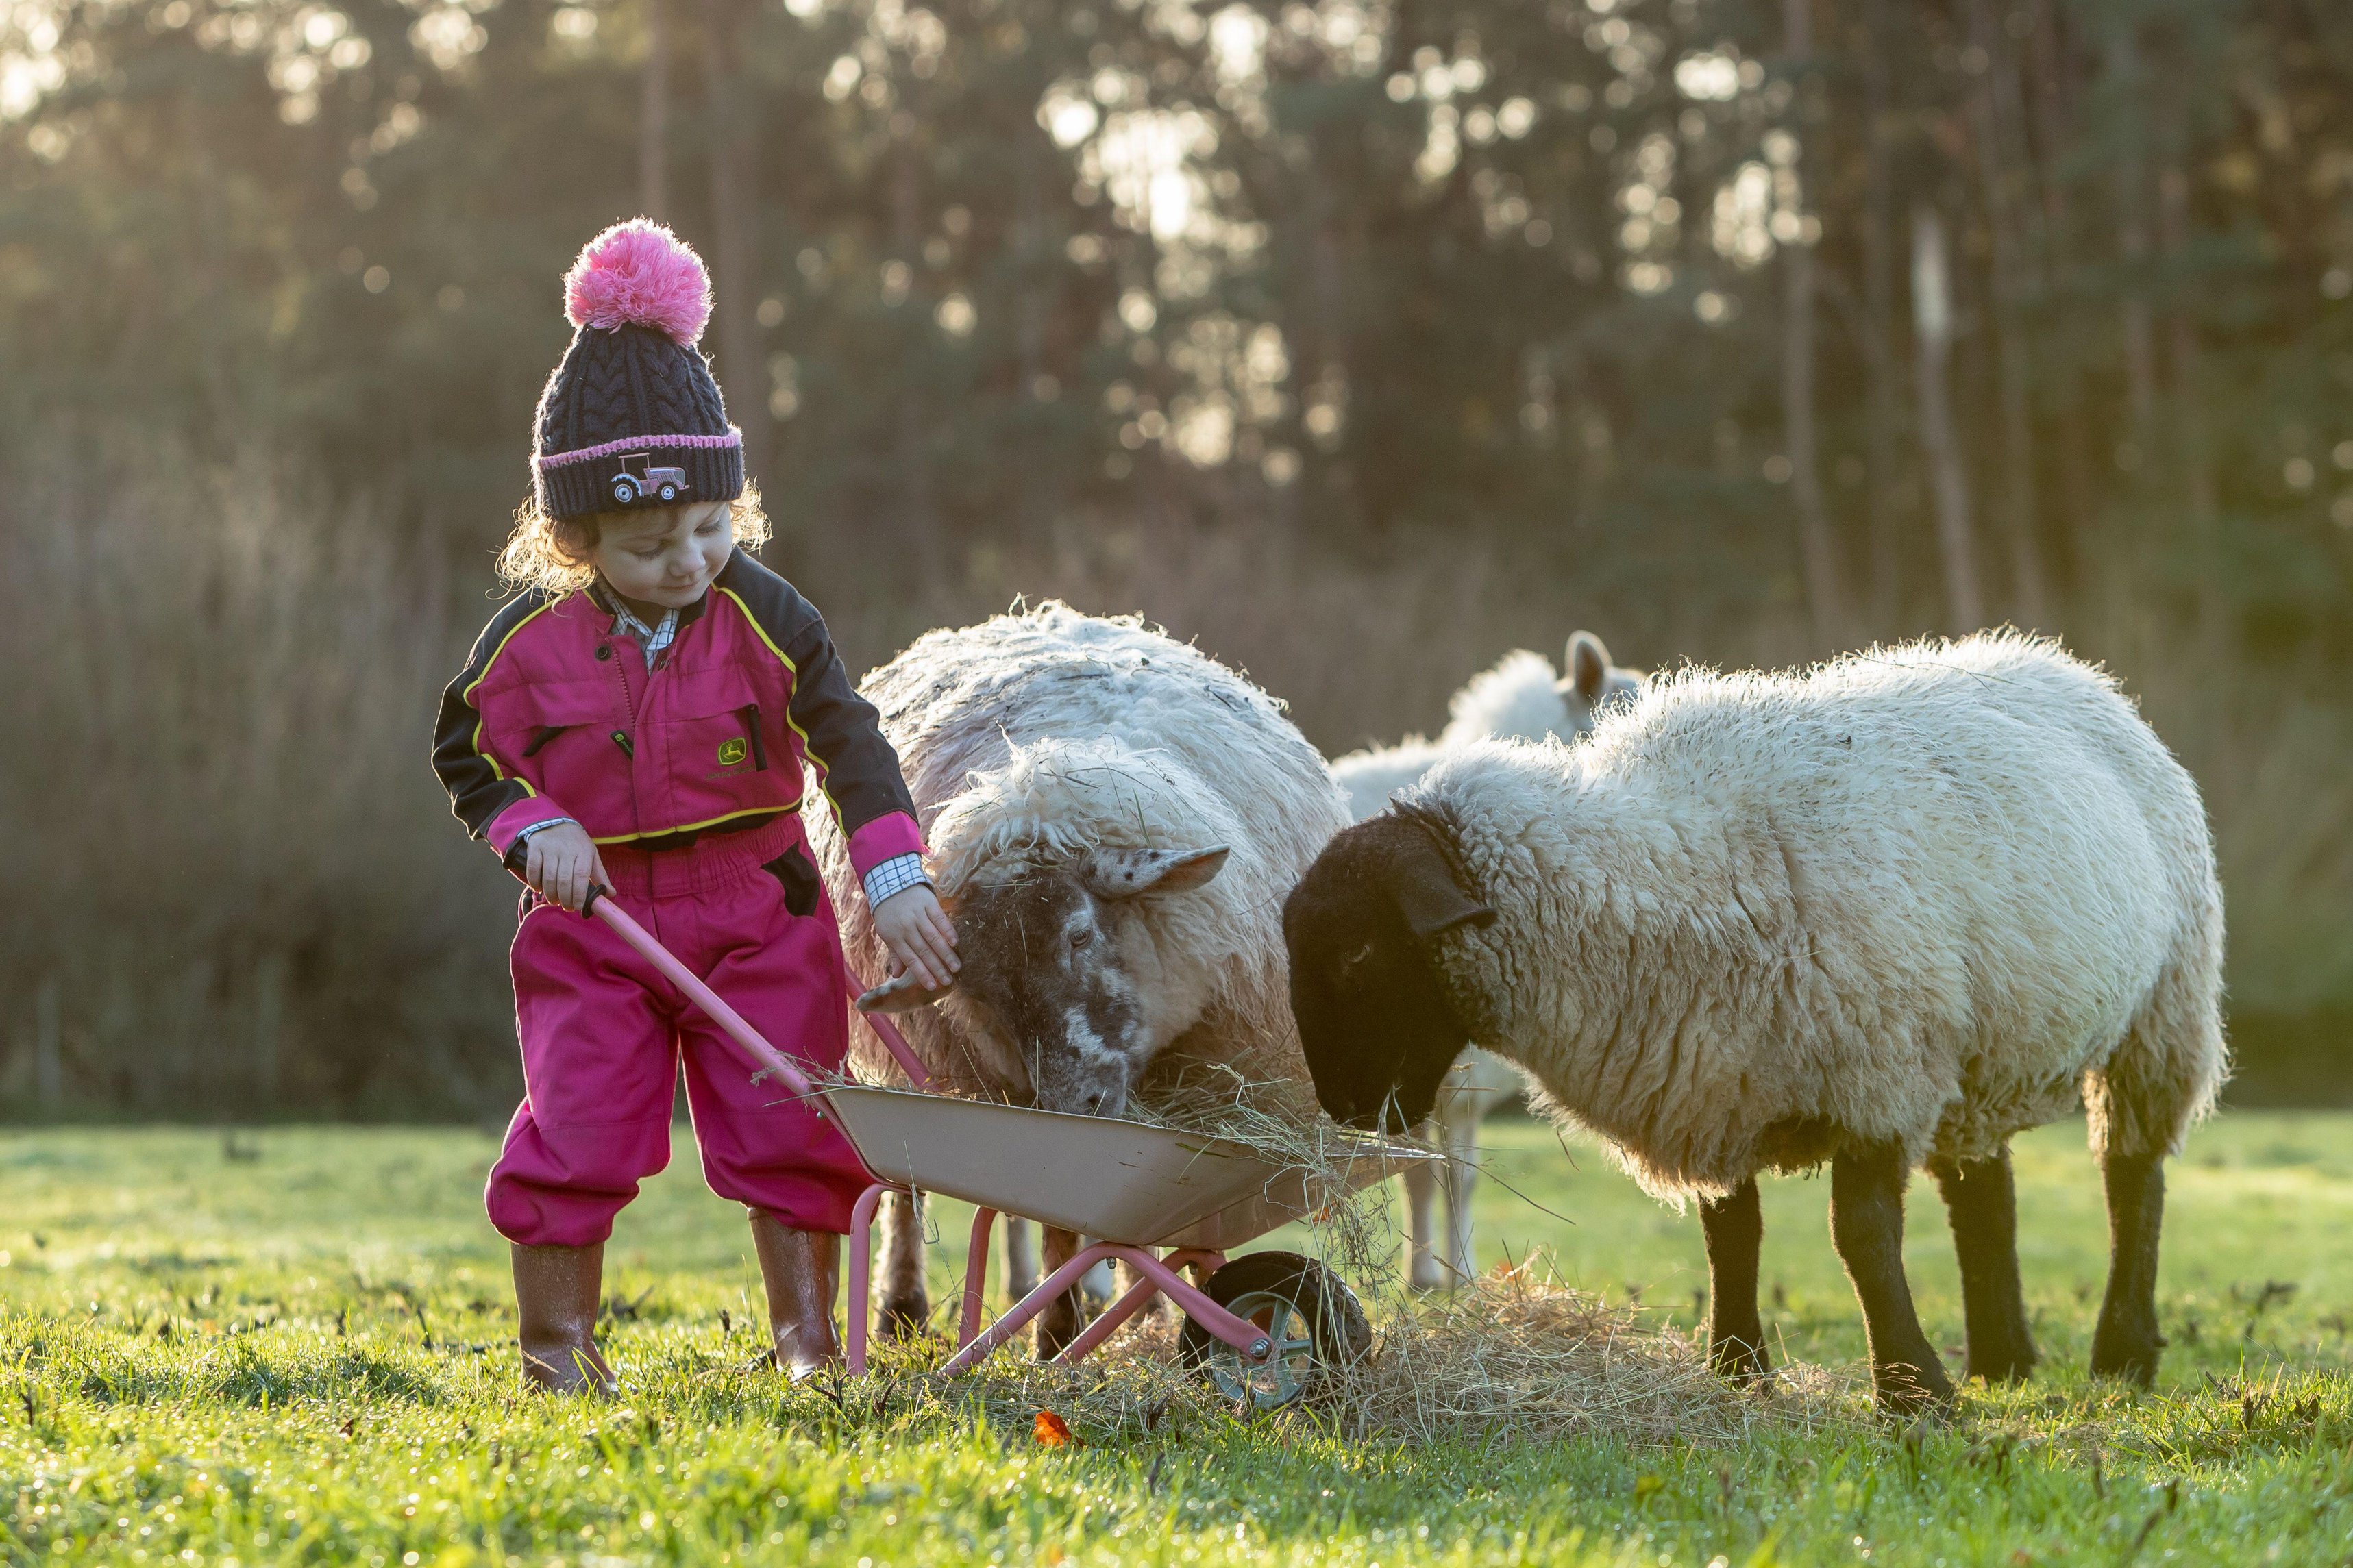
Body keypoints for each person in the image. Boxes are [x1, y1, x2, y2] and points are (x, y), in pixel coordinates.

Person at [432, 220, 957, 1391]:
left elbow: (850, 741)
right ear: (573, 539)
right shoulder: (525, 643)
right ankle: (556, 1347)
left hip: (759, 904)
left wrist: (895, 871)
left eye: (711, 527)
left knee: (795, 1115)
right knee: (578, 1123)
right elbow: (467, 750)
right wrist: (533, 826)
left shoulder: (771, 614)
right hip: (597, 919)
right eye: (650, 540)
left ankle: (809, 1342)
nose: (688, 559)